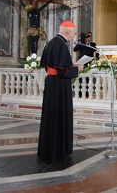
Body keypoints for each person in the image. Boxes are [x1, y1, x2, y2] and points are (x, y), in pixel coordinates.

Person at [37, 20, 83, 163]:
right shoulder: (61, 45)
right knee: (59, 116)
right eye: (74, 33)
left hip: (51, 83)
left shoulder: (51, 42)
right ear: (68, 31)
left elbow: (53, 67)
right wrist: (77, 69)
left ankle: (47, 149)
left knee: (51, 117)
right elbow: (62, 72)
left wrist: (71, 65)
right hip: (59, 85)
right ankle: (58, 151)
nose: (73, 36)